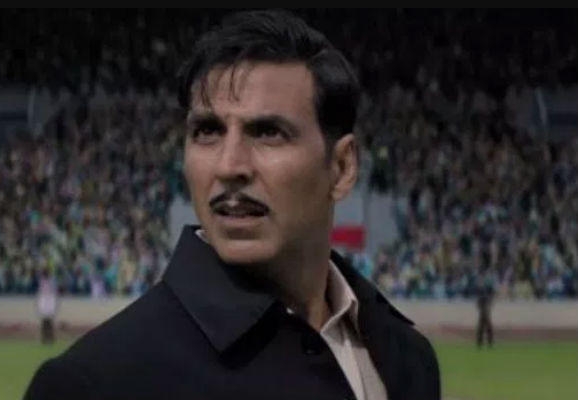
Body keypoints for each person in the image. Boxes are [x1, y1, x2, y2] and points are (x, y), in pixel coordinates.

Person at [24, 10, 440, 400]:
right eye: (207, 131)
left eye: (268, 133)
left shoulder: (407, 357)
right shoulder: (94, 384)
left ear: (342, 167)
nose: (229, 166)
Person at [475, 271, 495, 348]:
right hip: (483, 304)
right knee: (484, 323)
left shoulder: (487, 284)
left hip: (485, 303)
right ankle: (485, 341)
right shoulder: (481, 286)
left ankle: (482, 341)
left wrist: (489, 302)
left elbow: (491, 293)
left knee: (483, 323)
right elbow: (479, 297)